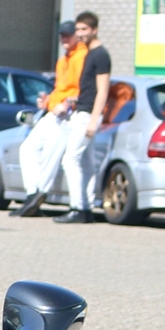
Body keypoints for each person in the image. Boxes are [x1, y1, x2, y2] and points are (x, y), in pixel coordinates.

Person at [12, 18, 87, 217]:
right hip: (53, 111)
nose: (64, 38)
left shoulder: (82, 57)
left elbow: (81, 88)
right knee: (28, 148)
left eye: (67, 35)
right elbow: (60, 88)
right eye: (62, 35)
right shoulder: (63, 60)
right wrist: (48, 101)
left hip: (68, 114)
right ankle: (32, 193)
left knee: (50, 154)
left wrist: (69, 103)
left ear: (76, 36)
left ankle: (40, 194)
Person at [54, 12, 115, 224]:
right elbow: (88, 89)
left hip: (88, 115)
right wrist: (75, 98)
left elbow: (102, 91)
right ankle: (87, 208)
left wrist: (93, 120)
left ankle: (76, 207)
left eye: (84, 30)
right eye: (78, 29)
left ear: (94, 30)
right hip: (82, 110)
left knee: (70, 159)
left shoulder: (100, 55)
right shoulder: (88, 54)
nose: (80, 34)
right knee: (87, 163)